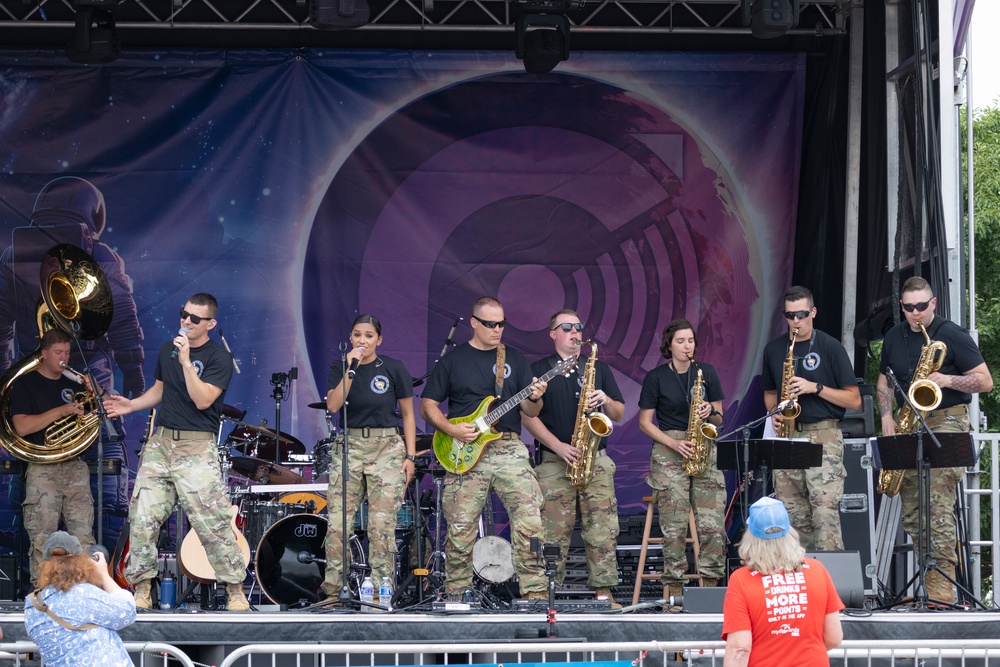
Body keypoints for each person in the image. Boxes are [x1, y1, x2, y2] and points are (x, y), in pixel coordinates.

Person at [104, 293, 249, 611]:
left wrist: (186, 363)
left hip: (196, 447)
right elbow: (160, 390)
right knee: (142, 518)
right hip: (162, 444)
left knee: (212, 523)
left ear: (210, 323)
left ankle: (235, 589)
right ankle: (142, 588)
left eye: (194, 318)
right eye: (184, 314)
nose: (186, 321)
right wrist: (132, 405)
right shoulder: (168, 349)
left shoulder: (218, 357)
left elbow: (203, 400)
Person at [419, 296, 549, 598]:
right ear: (474, 323)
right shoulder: (453, 360)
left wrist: (534, 396)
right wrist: (451, 429)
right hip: (465, 450)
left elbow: (531, 413)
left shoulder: (513, 359)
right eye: (490, 324)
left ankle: (534, 594)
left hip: (508, 447)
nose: (497, 329)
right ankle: (457, 595)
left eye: (502, 323)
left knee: (530, 519)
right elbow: (428, 405)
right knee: (460, 529)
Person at [876, 276, 993, 603]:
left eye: (922, 307)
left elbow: (985, 382)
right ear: (902, 306)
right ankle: (931, 588)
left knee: (937, 511)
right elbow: (884, 382)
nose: (916, 313)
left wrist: (947, 379)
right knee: (913, 514)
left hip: (946, 421)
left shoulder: (951, 334)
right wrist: (886, 416)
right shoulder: (894, 337)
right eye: (909, 307)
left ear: (934, 303)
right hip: (908, 422)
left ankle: (941, 598)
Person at [522, 309, 625, 607]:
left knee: (603, 529)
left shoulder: (597, 368)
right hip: (556, 462)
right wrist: (558, 446)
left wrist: (606, 400)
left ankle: (604, 593)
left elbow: (619, 412)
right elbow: (528, 418)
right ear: (553, 334)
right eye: (566, 327)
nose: (575, 332)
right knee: (553, 533)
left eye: (578, 327)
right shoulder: (540, 369)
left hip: (596, 459)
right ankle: (546, 594)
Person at [320, 314, 417, 603]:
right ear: (350, 338)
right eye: (357, 335)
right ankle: (334, 591)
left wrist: (410, 455)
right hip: (349, 444)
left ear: (379, 339)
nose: (362, 340)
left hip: (387, 447)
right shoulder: (340, 366)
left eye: (369, 335)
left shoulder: (393, 368)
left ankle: (379, 591)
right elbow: (333, 405)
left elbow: (409, 414)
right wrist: (350, 370)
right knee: (338, 523)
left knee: (380, 525)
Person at [761, 286, 860, 551]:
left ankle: (829, 583)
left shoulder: (830, 346)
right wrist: (774, 414)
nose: (796, 321)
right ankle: (799, 581)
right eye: (790, 315)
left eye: (802, 314)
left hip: (823, 435)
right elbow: (770, 393)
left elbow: (854, 399)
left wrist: (814, 388)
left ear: (813, 312)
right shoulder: (773, 349)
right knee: (791, 515)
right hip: (787, 437)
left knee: (824, 511)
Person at [637, 318, 727, 601]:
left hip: (702, 444)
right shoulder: (656, 377)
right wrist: (674, 443)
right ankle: (674, 591)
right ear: (669, 345)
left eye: (690, 341)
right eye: (680, 341)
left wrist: (708, 409)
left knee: (712, 523)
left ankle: (711, 590)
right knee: (673, 525)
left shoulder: (707, 372)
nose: (687, 346)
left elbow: (720, 417)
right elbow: (644, 423)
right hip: (669, 448)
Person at [9, 328, 96, 585]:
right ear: (44, 354)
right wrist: (61, 411)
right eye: (58, 352)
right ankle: (42, 596)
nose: (64, 358)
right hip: (42, 468)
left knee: (84, 538)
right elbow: (22, 427)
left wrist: (95, 389)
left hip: (75, 466)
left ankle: (85, 594)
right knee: (42, 539)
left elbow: (104, 410)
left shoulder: (75, 383)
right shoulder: (26, 384)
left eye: (67, 353)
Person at [722, 497, 844, 667]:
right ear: (790, 533)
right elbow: (833, 638)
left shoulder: (741, 580)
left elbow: (739, 649)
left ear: (750, 536)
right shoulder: (818, 570)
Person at [24, 531, 136, 667]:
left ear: (44, 566)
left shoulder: (32, 605)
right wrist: (104, 575)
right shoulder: (86, 595)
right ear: (82, 562)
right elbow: (128, 611)